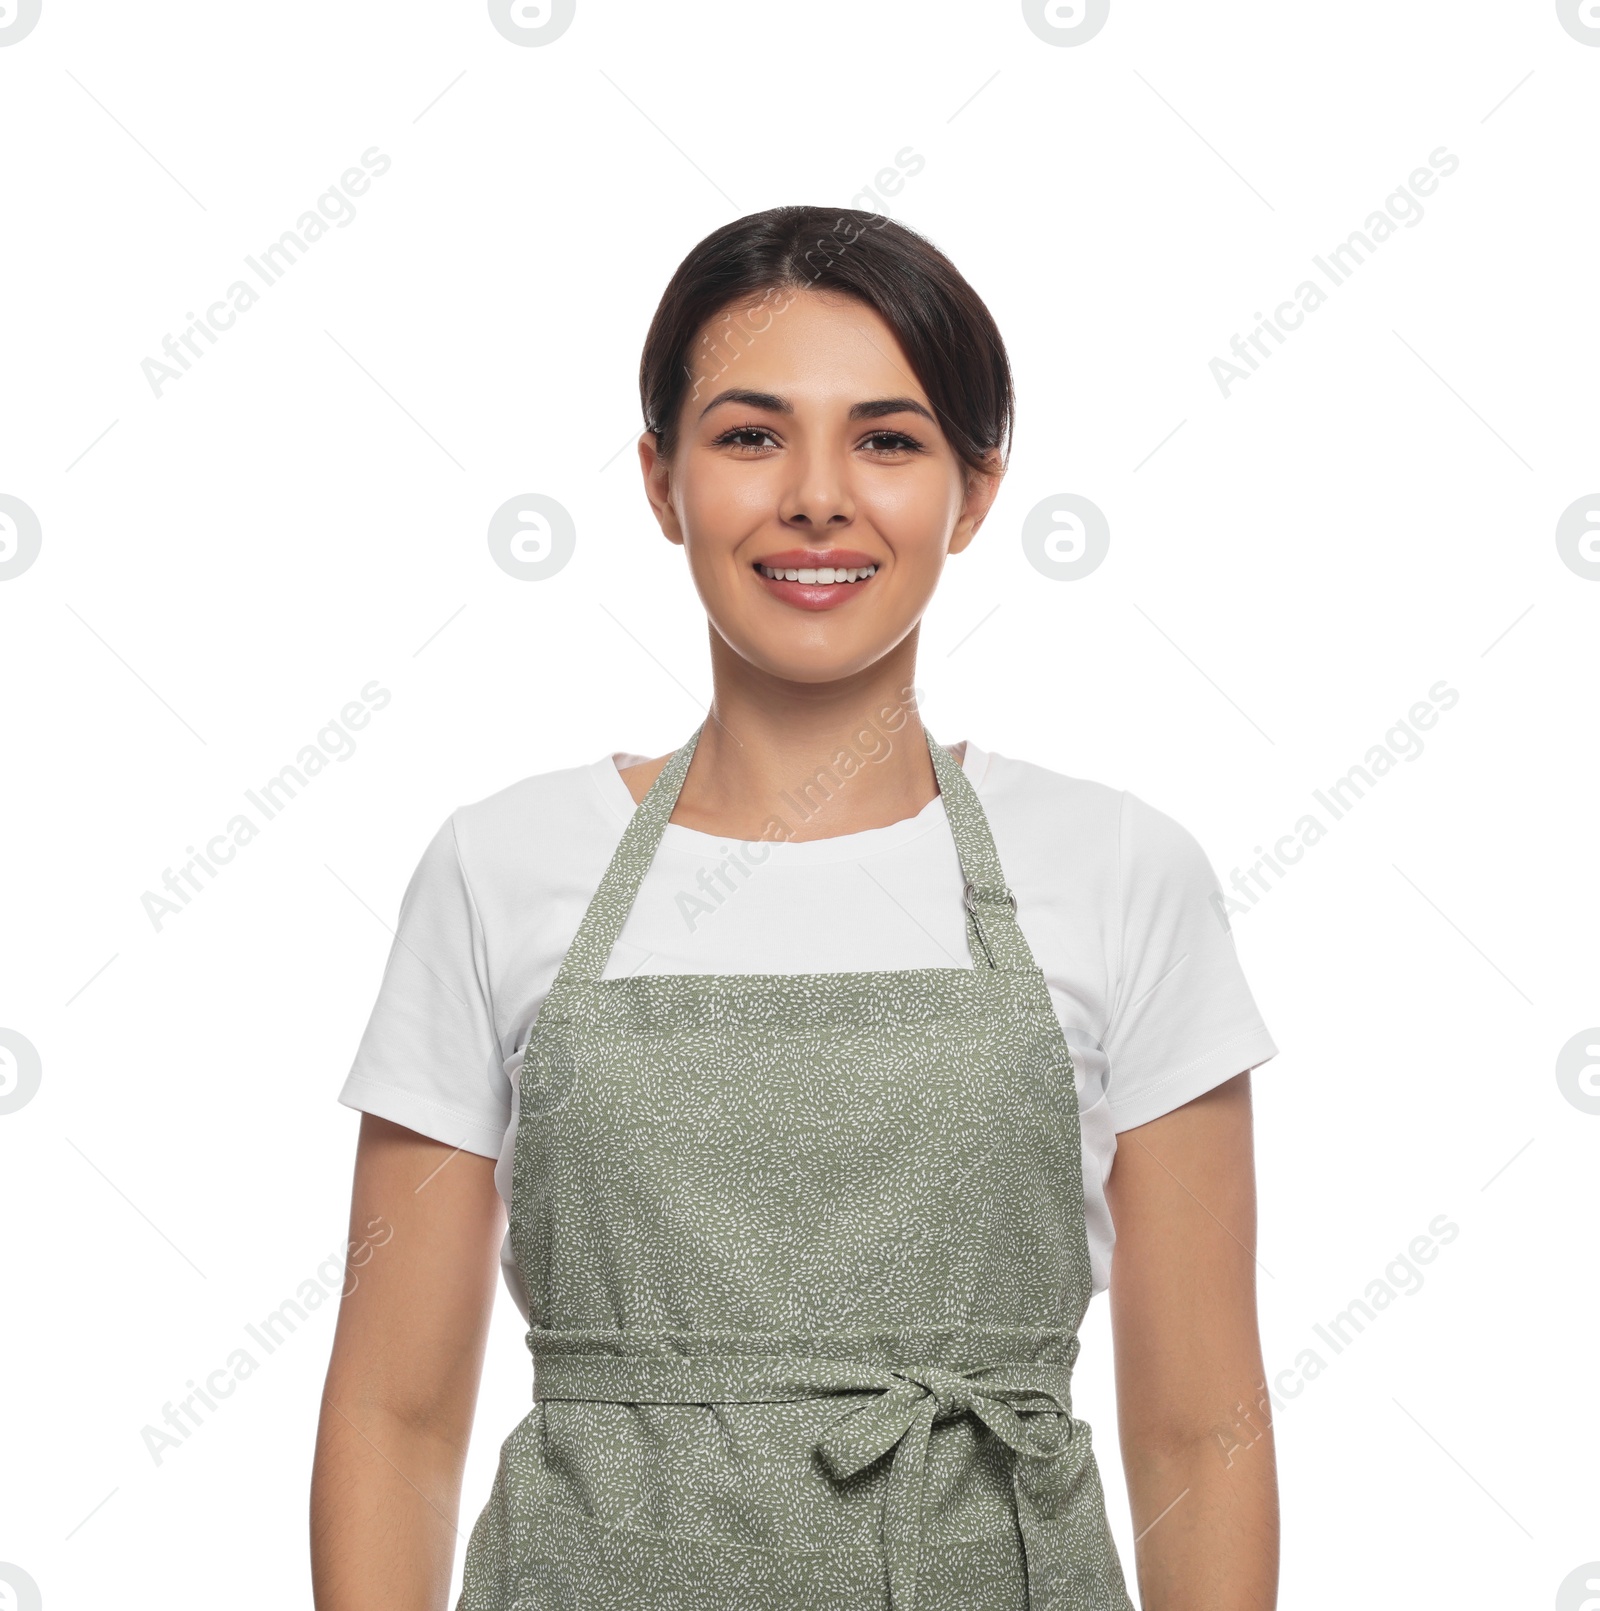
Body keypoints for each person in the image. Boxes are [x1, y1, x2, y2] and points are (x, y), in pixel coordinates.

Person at [310, 205, 1281, 1610]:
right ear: (660, 480)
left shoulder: (1123, 870)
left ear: (978, 486)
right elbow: (391, 1420)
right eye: (751, 435)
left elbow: (1203, 1433)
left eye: (887, 440)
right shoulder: (499, 864)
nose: (817, 497)